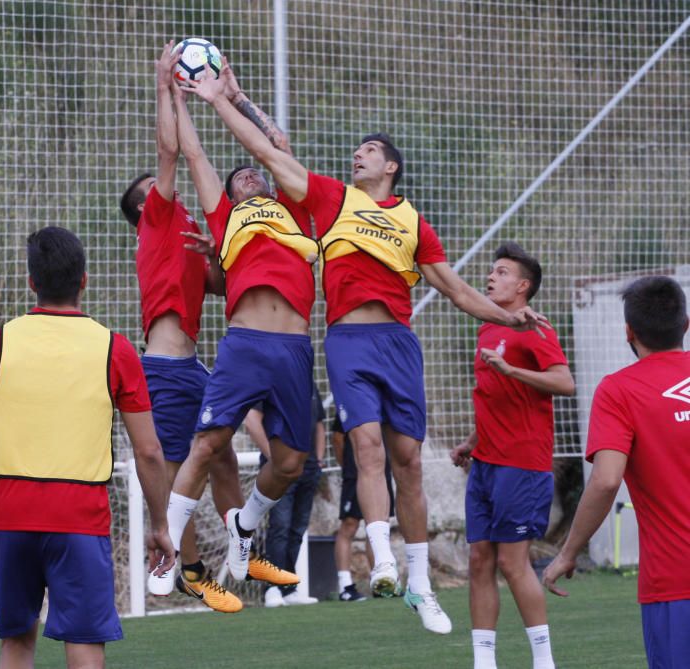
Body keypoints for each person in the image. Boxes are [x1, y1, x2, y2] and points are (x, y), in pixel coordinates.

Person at [183, 66, 549, 634]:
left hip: (399, 344)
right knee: (369, 447)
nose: (359, 154)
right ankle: (381, 560)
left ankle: (421, 586)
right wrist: (221, 102)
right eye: (357, 149)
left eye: (370, 149)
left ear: (392, 166)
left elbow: (454, 290)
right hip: (349, 340)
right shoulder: (333, 200)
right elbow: (269, 150)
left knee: (409, 464)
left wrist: (510, 315)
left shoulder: (412, 223)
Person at [0, 227, 175, 669]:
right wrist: (161, 523)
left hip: (9, 513)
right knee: (85, 646)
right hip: (80, 514)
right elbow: (148, 451)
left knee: (16, 643)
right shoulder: (115, 348)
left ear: (32, 282)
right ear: (84, 280)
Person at [154, 60, 322, 596]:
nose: (248, 175)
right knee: (206, 444)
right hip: (246, 343)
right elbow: (195, 154)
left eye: (253, 173)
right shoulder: (227, 217)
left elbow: (276, 143)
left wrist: (235, 95)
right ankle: (168, 554)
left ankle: (244, 525)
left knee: (292, 462)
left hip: (294, 346)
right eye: (239, 179)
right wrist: (176, 93)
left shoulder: (293, 209)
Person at [118, 43, 240, 614]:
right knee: (170, 480)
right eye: (153, 188)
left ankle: (237, 552)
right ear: (145, 210)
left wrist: (216, 260)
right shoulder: (158, 219)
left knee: (223, 458)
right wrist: (166, 85)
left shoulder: (184, 227)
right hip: (164, 370)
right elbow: (169, 151)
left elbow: (218, 286)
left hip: (193, 366)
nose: (162, 186)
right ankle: (178, 569)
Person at [542, 276, 690, 669]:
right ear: (686, 324)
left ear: (629, 331)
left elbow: (606, 480)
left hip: (677, 580)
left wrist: (568, 553)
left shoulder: (619, 391)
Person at [449, 244, 574, 669]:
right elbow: (498, 399)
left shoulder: (535, 327)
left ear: (523, 287)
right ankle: (484, 662)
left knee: (511, 562)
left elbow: (565, 382)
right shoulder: (488, 328)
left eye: (501, 272)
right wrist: (471, 441)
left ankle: (544, 660)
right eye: (491, 271)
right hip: (486, 463)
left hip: (522, 464)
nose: (490, 277)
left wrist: (511, 369)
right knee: (480, 559)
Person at [244, 387, 325, 607]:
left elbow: (319, 424)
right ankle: (272, 586)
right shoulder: (272, 381)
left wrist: (318, 460)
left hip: (307, 469)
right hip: (279, 469)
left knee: (297, 529)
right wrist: (274, 458)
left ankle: (289, 587)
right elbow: (252, 420)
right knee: (280, 526)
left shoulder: (309, 384)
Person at [332, 415, 395, 602]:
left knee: (378, 525)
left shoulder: (387, 401)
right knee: (349, 525)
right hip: (355, 473)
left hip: (381, 474)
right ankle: (345, 586)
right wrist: (349, 466)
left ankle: (381, 582)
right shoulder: (353, 395)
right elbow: (337, 438)